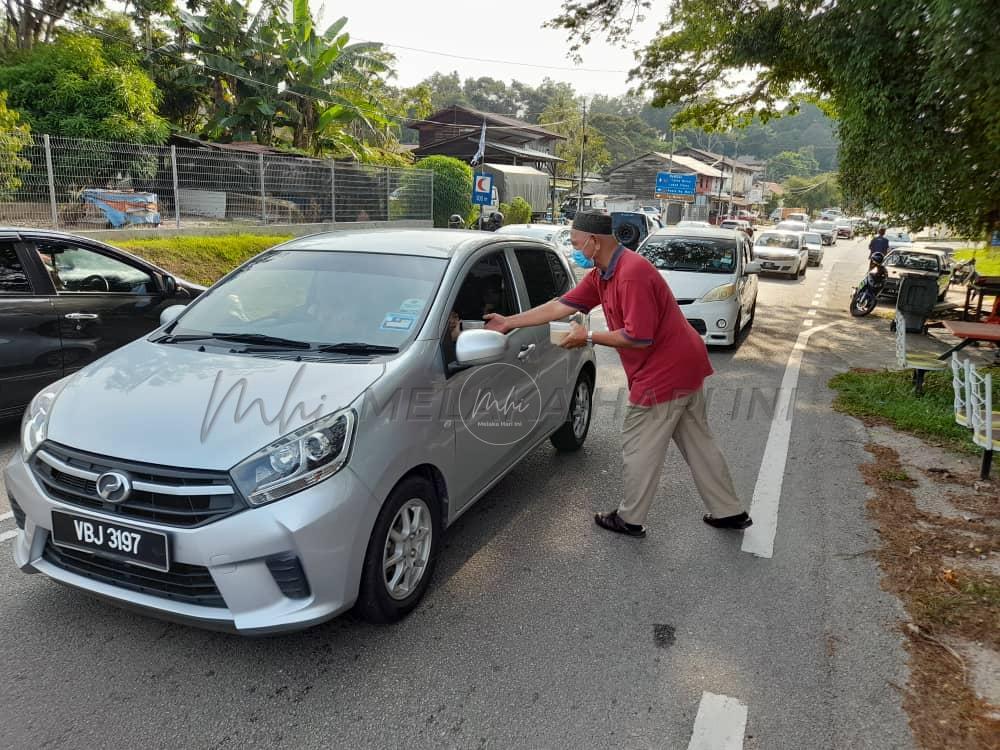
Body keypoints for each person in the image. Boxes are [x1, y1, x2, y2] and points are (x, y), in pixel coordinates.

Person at [484, 210, 752, 538]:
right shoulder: (603, 275)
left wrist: (589, 336)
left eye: (578, 243)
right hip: (684, 365)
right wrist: (510, 321)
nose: (575, 249)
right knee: (699, 443)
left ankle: (630, 518)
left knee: (639, 444)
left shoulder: (631, 274)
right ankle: (729, 511)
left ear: (595, 242)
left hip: (663, 371)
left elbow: (639, 337)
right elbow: (561, 305)